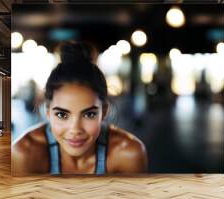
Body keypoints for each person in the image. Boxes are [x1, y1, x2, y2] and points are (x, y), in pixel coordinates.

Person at [12, 41, 147, 176]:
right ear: (47, 111)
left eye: (89, 114)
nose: (75, 130)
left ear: (104, 111)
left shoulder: (128, 153)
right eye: (62, 115)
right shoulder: (25, 152)